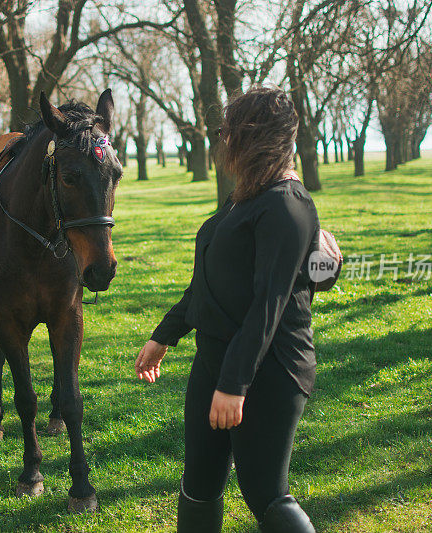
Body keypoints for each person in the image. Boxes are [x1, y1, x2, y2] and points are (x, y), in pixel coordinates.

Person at [135, 86, 331, 533]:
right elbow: (207, 281)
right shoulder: (245, 196)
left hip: (270, 370)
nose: (224, 140)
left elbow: (268, 307)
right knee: (200, 483)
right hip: (214, 361)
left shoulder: (286, 205)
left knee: (265, 493)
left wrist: (234, 385)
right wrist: (164, 334)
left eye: (230, 131)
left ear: (255, 135)